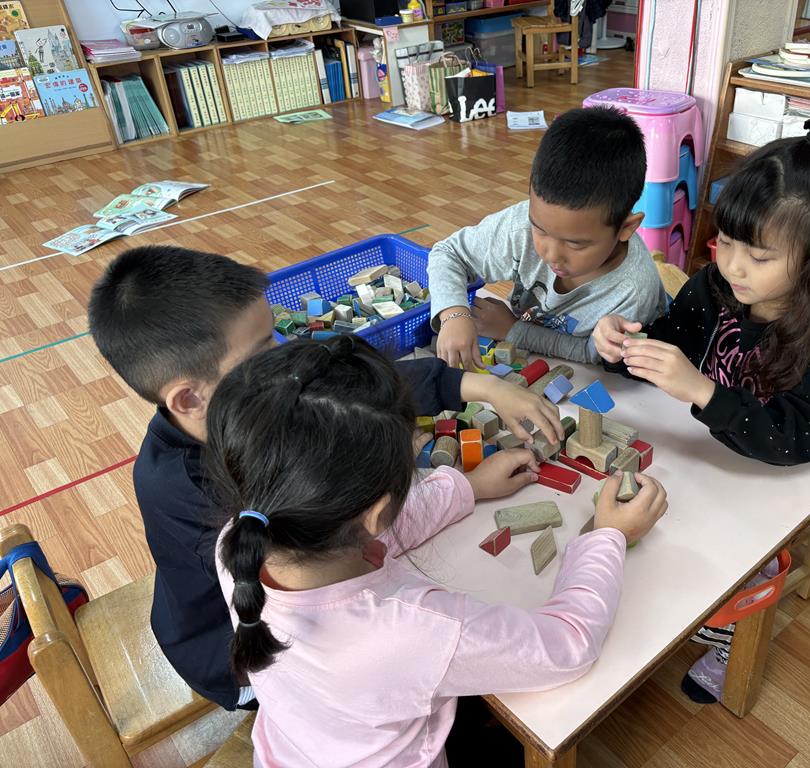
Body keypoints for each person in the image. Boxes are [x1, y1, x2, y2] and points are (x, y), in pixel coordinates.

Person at [87, 245, 564, 711]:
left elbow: (350, 393)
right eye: (262, 351)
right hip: (244, 657)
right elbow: (331, 597)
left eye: (274, 338)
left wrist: (475, 386)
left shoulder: (249, 403)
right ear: (189, 399)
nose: (283, 357)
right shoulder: (194, 491)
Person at [207, 335, 669, 767]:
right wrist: (607, 536)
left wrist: (468, 486)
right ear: (377, 512)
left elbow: (364, 530)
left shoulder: (243, 539)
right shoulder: (418, 630)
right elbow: (568, 646)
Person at [592, 116, 810, 702]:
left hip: (779, 473)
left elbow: (799, 439)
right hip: (706, 455)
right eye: (725, 242)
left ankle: (730, 637)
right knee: (648, 527)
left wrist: (703, 391)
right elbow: (670, 346)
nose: (732, 266)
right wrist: (622, 347)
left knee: (731, 561)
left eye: (759, 255)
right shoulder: (715, 288)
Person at [428, 106, 665, 368]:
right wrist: (453, 313)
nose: (550, 255)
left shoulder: (633, 291)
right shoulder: (520, 224)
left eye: (575, 243)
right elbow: (448, 253)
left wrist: (513, 330)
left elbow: (593, 353)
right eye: (539, 229)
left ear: (625, 228)